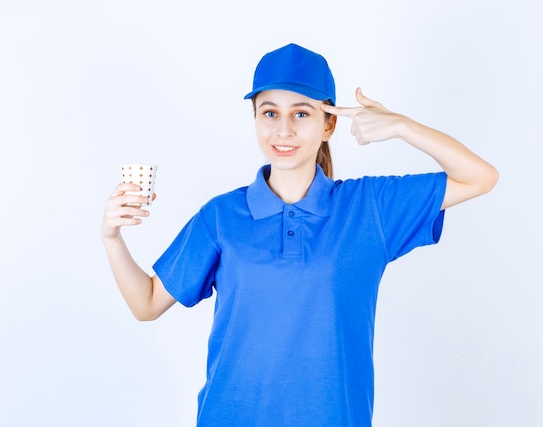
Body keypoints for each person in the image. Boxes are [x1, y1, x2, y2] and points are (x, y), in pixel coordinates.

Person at [100, 43, 498, 426]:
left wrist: (401, 126)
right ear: (254, 119)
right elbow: (147, 303)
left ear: (329, 124)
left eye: (302, 114)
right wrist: (112, 238)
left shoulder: (369, 208)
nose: (284, 129)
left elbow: (480, 177)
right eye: (269, 113)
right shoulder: (221, 216)